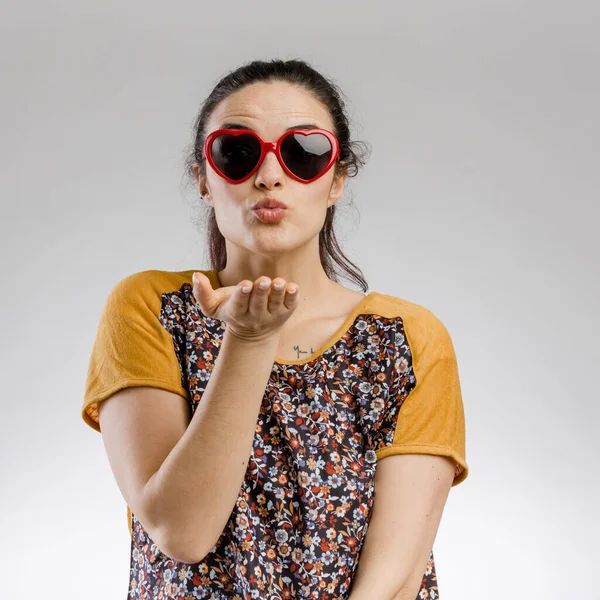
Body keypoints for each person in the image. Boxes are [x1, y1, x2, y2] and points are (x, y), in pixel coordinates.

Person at [81, 58, 469, 600]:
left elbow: (396, 571)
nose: (268, 175)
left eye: (302, 153)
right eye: (236, 153)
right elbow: (182, 532)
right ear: (203, 178)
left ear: (336, 180)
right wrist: (249, 339)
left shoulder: (404, 338)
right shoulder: (151, 310)